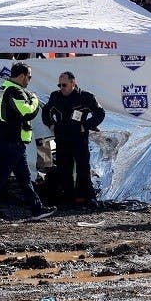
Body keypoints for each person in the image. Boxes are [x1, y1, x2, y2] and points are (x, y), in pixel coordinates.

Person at [0, 63, 54, 222]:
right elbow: (27, 112)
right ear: (22, 76)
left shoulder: (4, 89)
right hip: (10, 141)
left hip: (13, 142)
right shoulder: (14, 90)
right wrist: (34, 99)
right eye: (29, 77)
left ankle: (36, 210)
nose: (29, 81)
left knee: (24, 178)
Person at [42, 72, 106, 206]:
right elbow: (45, 112)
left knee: (83, 167)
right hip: (62, 137)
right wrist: (51, 125)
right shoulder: (56, 96)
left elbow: (100, 113)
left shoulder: (85, 96)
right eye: (59, 85)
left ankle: (88, 197)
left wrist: (86, 126)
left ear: (73, 83)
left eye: (64, 85)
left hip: (79, 137)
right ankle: (67, 198)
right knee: (64, 168)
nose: (61, 88)